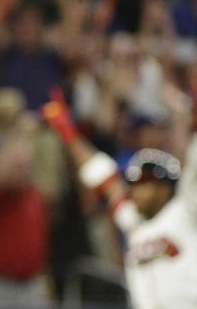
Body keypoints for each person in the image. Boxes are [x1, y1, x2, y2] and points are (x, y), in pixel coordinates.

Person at [42, 88, 197, 309]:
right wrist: (68, 133)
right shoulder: (131, 218)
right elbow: (100, 176)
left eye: (144, 184)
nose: (135, 191)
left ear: (165, 189)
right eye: (133, 184)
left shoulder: (187, 211)